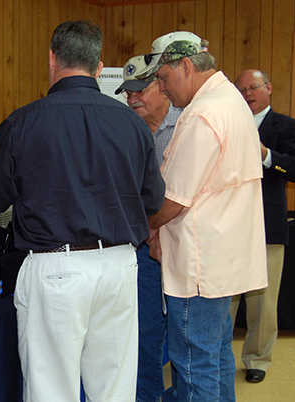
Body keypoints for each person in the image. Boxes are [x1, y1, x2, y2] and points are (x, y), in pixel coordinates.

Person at [0, 20, 165, 402]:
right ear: (98, 67)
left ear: (51, 60)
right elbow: (153, 201)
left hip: (56, 269)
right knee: (114, 391)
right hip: (119, 267)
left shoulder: (23, 123)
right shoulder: (134, 125)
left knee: (51, 392)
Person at [145, 31, 268, 402]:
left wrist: (138, 227)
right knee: (215, 357)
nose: (162, 90)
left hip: (198, 267)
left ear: (186, 66)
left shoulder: (203, 113)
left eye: (164, 78)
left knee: (194, 364)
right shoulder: (229, 100)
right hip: (221, 261)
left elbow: (173, 201)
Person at [229, 69, 295, 383]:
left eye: (254, 87)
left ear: (269, 88)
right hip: (229, 226)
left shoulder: (289, 127)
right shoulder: (227, 125)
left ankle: (257, 359)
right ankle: (219, 355)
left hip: (267, 227)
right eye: (242, 89)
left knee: (263, 300)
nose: (248, 93)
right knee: (227, 298)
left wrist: (265, 155)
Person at [115, 54, 182, 402]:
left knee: (188, 338)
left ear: (164, 86)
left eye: (140, 88)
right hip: (142, 247)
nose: (132, 98)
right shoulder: (123, 128)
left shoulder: (190, 123)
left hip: (184, 246)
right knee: (144, 333)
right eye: (127, 91)